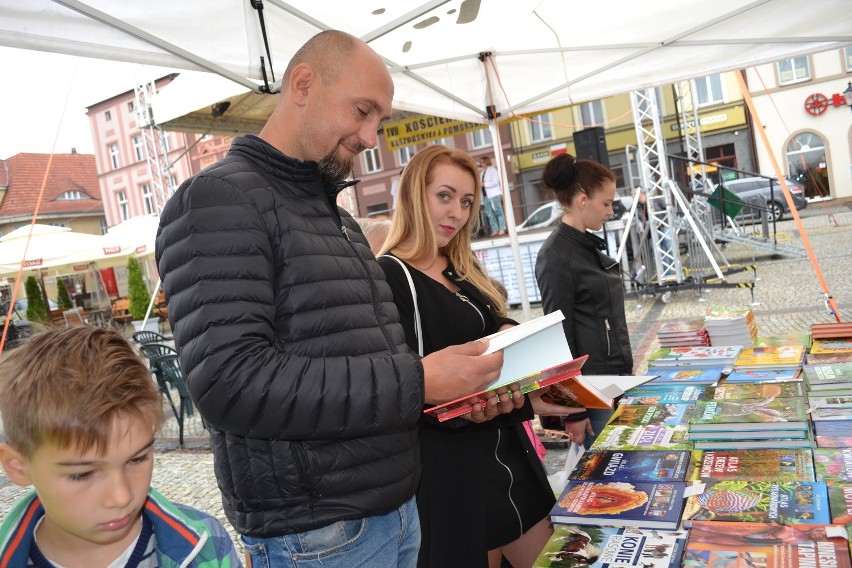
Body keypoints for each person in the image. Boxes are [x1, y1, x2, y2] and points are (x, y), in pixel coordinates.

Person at [155, 30, 507, 567]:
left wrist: (452, 397)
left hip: (393, 509)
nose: (371, 136)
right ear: (303, 83)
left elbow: (371, 364)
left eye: (381, 122)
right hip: (317, 532)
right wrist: (421, 381)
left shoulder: (336, 219)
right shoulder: (216, 199)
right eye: (362, 111)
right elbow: (230, 382)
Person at [377, 145, 586, 568]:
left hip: (512, 459)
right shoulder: (390, 275)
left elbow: (482, 333)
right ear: (414, 194)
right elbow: (404, 384)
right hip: (453, 477)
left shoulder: (459, 265)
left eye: (467, 201)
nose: (456, 212)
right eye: (445, 195)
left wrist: (510, 332)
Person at [0, 326, 241, 567]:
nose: (122, 497)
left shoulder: (209, 549)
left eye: (137, 459)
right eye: (82, 474)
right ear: (18, 466)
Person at [534, 153, 634, 447]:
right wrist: (573, 411)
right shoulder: (556, 256)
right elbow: (558, 337)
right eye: (605, 203)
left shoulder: (584, 245)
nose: (610, 211)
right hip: (591, 389)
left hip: (609, 380)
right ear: (582, 200)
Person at [480, 156, 507, 236]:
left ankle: (502, 228)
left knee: (498, 211)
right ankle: (495, 229)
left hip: (494, 194)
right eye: (480, 162)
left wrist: (484, 184)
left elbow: (495, 182)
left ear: (486, 162)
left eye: (482, 162)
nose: (481, 164)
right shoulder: (482, 173)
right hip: (486, 196)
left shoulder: (493, 170)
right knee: (489, 213)